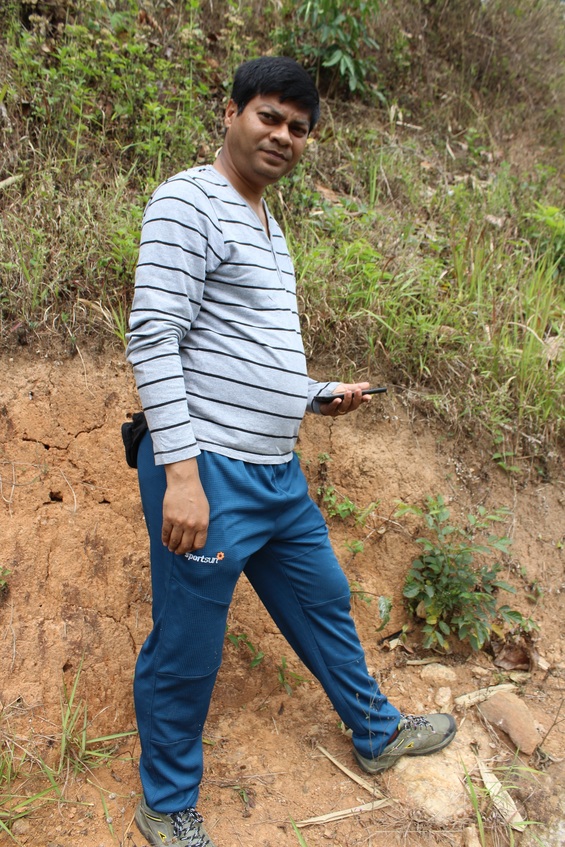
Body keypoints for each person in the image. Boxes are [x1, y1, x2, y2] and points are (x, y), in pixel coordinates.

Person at [126, 56, 456, 847]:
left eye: (298, 128)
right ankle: (166, 802)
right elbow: (153, 336)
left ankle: (375, 732)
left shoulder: (268, 223)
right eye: (268, 116)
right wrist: (179, 473)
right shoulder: (189, 201)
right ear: (232, 112)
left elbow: (245, 352)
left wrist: (314, 393)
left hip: (275, 472)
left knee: (324, 596)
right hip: (206, 468)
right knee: (188, 646)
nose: (281, 136)